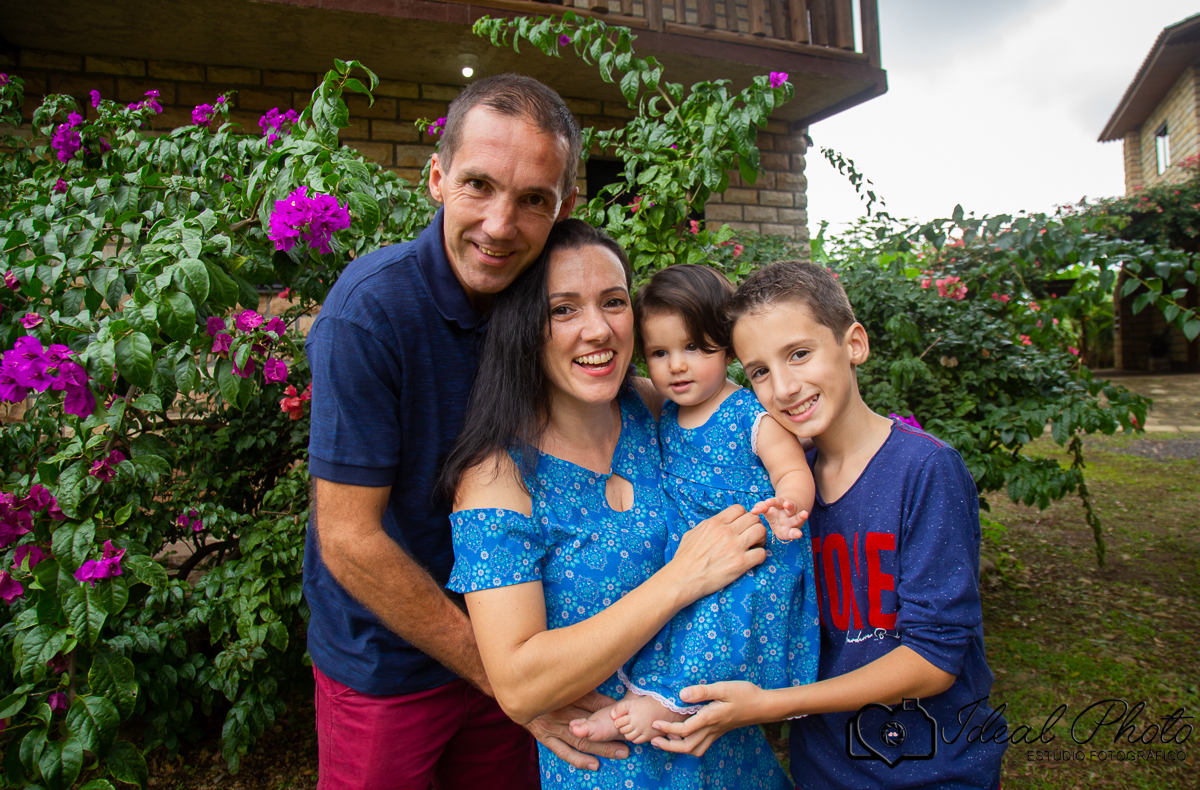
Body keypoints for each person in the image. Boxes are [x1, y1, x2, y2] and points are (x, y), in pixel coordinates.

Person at [304, 74, 625, 789]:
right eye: (479, 185)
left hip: (519, 641)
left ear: (564, 208)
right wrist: (504, 678)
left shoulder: (550, 304)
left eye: (533, 200)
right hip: (391, 663)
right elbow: (349, 539)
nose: (501, 225)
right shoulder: (369, 313)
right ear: (436, 179)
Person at [441, 221, 790, 788]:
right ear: (524, 326)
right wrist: (680, 579)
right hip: (618, 768)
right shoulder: (498, 478)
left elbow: (767, 428)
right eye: (563, 310)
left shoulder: (659, 408)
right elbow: (519, 684)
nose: (597, 330)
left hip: (726, 746)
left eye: (613, 302)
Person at [651, 260, 1008, 789]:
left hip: (931, 770)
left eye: (799, 354)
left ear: (854, 344)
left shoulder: (924, 470)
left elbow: (934, 660)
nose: (785, 386)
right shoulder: (782, 485)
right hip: (821, 769)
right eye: (759, 371)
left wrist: (771, 705)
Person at [568, 264, 820, 744]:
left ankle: (677, 705)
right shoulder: (666, 414)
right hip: (692, 549)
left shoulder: (750, 414)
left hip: (749, 548)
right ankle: (652, 689)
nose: (676, 365)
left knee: (716, 622)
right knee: (668, 618)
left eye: (693, 348)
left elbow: (791, 469)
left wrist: (788, 507)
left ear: (726, 348)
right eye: (660, 353)